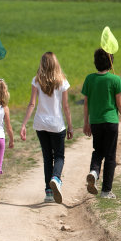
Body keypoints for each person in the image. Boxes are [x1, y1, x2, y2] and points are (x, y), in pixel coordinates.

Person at [20, 52, 73, 204]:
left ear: (42, 64)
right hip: (56, 125)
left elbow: (31, 104)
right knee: (59, 156)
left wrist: (23, 124)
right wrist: (70, 127)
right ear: (56, 64)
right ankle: (56, 178)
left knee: (47, 157)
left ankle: (48, 192)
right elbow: (66, 107)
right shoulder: (62, 82)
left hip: (40, 123)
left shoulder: (36, 80)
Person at [82, 48, 121, 199]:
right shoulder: (115, 80)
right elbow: (120, 103)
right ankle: (106, 191)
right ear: (111, 63)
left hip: (95, 122)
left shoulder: (89, 79)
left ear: (96, 62)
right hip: (110, 122)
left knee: (98, 151)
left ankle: (94, 173)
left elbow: (86, 104)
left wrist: (86, 123)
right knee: (110, 156)